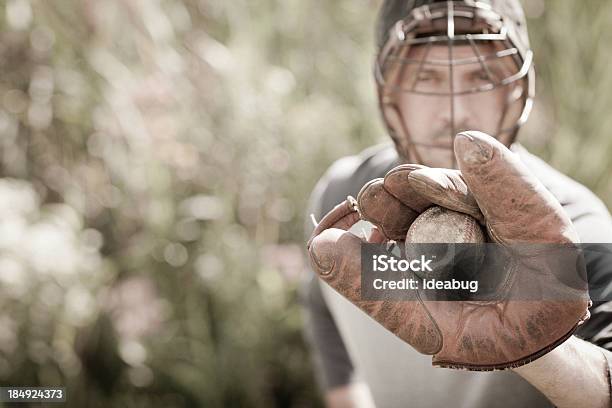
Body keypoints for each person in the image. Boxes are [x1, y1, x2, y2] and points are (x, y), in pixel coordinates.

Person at [301, 1, 612, 407]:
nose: (453, 110)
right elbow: (324, 307)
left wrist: (544, 350)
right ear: (388, 94)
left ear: (516, 91)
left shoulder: (575, 229)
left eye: (480, 77)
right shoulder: (345, 196)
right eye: (426, 78)